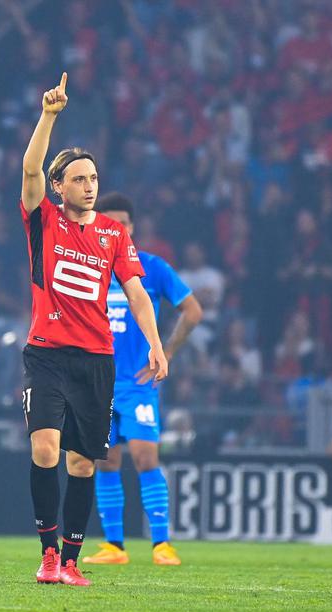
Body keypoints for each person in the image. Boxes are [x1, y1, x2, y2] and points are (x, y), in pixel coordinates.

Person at [19, 73, 167, 587]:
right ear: (60, 187)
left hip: (96, 360)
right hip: (46, 354)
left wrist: (155, 342)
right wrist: (49, 116)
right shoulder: (43, 219)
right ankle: (48, 556)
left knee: (84, 464)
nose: (89, 187)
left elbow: (138, 292)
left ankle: (73, 561)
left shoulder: (113, 234)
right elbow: (31, 167)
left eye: (93, 179)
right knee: (44, 449)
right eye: (79, 179)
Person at [82, 192, 202, 568]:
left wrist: (164, 351)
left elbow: (193, 311)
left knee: (146, 457)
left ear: (132, 227)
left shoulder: (152, 268)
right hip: (97, 382)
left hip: (137, 385)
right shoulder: (88, 269)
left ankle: (162, 544)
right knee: (105, 461)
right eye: (109, 221)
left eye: (123, 222)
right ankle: (114, 547)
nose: (116, 228)